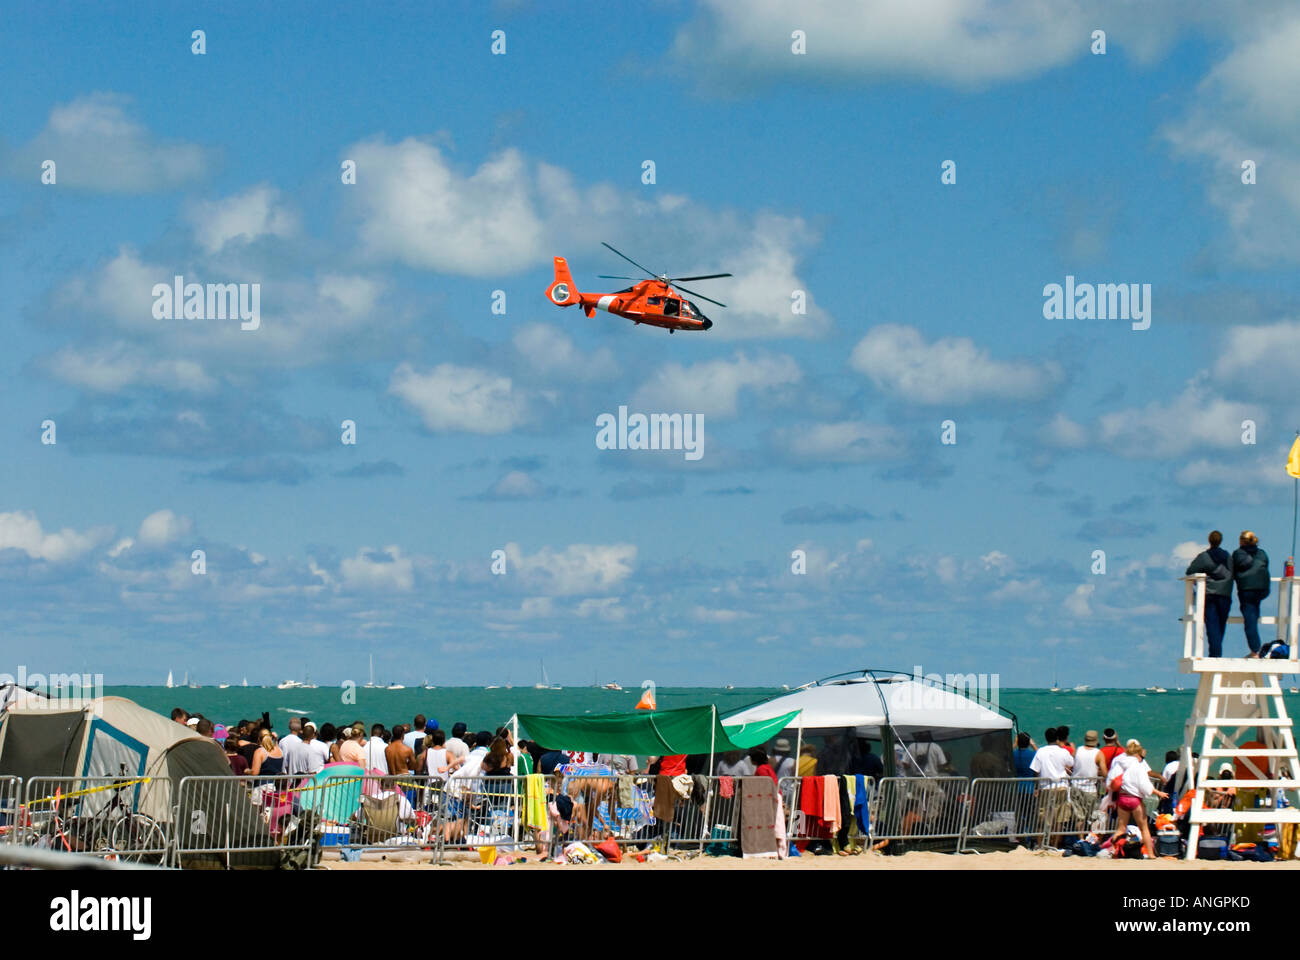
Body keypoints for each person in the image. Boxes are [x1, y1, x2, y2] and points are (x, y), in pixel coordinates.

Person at [1107, 739, 1166, 857]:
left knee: (1121, 828)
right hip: (1134, 800)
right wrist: (1157, 792)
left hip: (1122, 798)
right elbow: (1145, 785)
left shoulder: (1120, 764)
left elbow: (1110, 780)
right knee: (1144, 828)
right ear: (1137, 755)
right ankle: (1151, 854)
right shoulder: (1138, 767)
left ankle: (1113, 851)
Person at [1187, 531, 1234, 656]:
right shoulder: (1228, 557)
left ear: (1209, 540)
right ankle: (1216, 652)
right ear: (1221, 540)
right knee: (1220, 626)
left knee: (1212, 625)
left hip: (1209, 594)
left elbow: (1190, 571)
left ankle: (1215, 654)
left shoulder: (1204, 557)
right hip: (1225, 594)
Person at [1030, 728, 1073, 846]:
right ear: (1057, 738)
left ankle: (1040, 844)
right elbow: (1071, 763)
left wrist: (1036, 786)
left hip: (1046, 787)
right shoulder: (1063, 751)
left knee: (1042, 818)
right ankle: (1055, 845)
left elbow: (1035, 770)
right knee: (1059, 819)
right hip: (1061, 787)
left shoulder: (1041, 752)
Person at [1233, 530, 1271, 657]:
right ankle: (1256, 648)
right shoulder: (1262, 553)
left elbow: (1232, 570)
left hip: (1247, 590)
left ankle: (1255, 650)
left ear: (1241, 541)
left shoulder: (1238, 554)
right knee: (1254, 615)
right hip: (1262, 590)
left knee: (1249, 620)